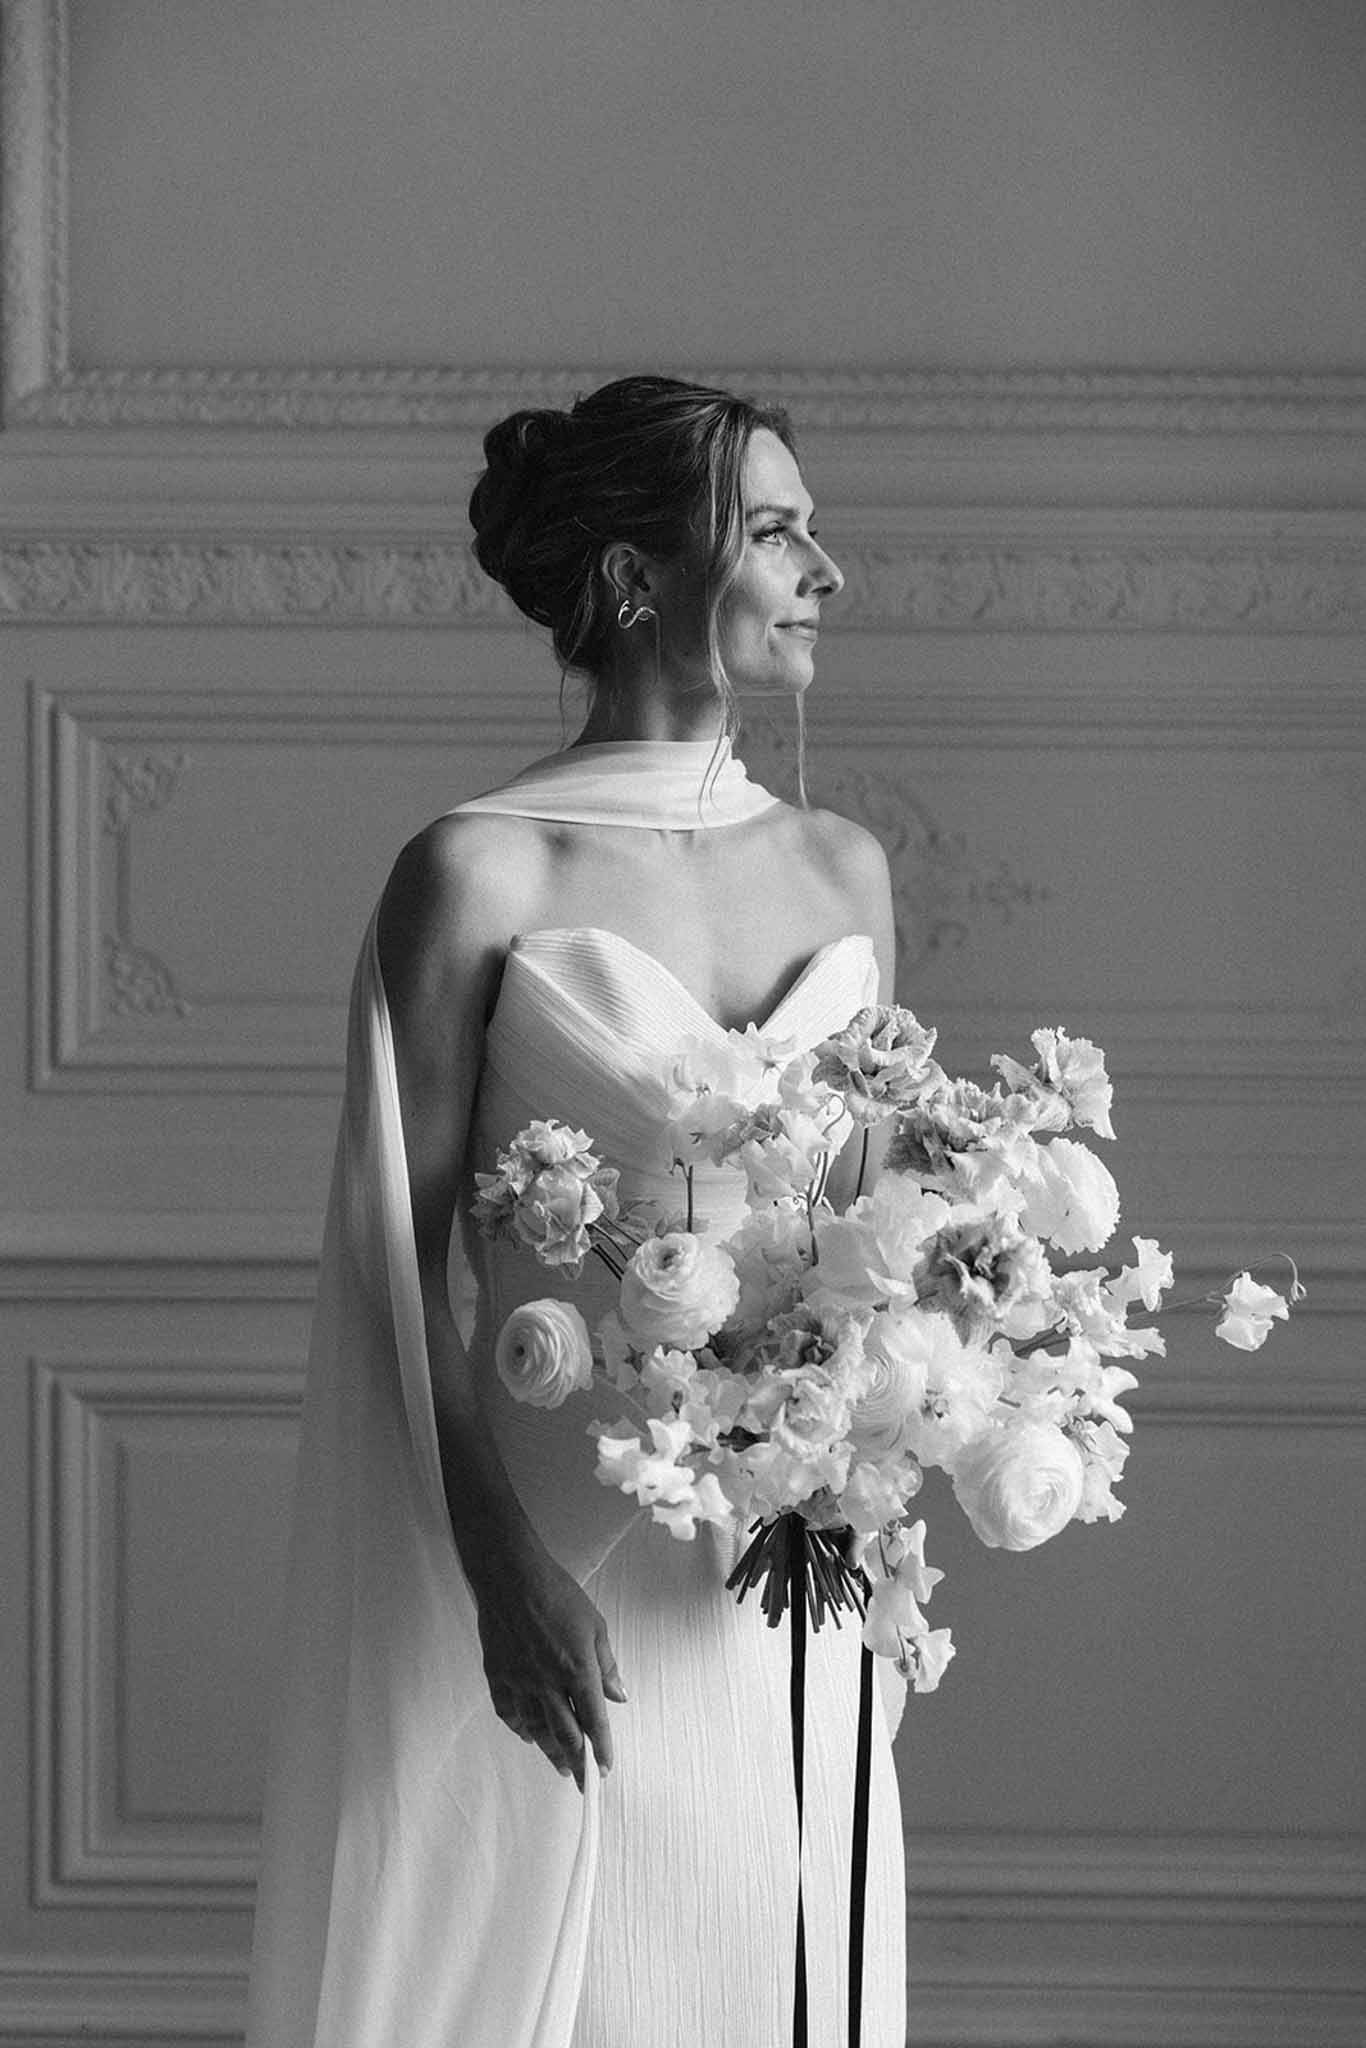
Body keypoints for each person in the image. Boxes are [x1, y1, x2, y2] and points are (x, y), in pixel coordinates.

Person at [244, 375, 906, 2048]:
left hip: (791, 1555)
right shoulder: (477, 871)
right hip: (560, 1537)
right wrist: (498, 1572)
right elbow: (404, 1270)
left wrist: (896, 1491)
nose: (826, 570)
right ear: (634, 578)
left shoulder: (845, 872)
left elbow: (870, 1236)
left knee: (789, 1964)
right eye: (772, 531)